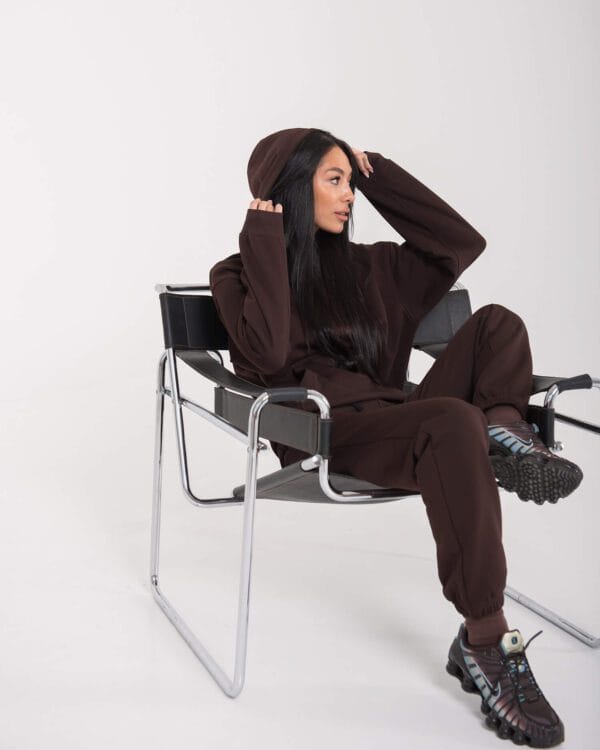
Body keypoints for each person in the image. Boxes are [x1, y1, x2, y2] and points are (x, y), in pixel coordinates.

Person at [209, 126, 584, 747]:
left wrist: (378, 173)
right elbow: (268, 352)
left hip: (403, 417)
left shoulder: (371, 266)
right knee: (452, 420)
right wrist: (265, 238)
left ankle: (504, 429)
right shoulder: (239, 272)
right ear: (290, 190)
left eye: (350, 182)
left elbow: (461, 244)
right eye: (334, 181)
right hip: (326, 434)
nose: (348, 195)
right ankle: (486, 639)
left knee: (497, 324)